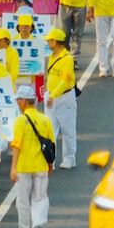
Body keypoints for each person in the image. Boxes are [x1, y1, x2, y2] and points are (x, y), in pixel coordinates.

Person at [10, 83, 55, 228]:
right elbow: (51, 144)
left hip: (23, 166)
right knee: (40, 197)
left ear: (23, 101)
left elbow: (17, 144)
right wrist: (51, 164)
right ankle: (38, 225)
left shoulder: (20, 120)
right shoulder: (45, 119)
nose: (17, 102)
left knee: (23, 200)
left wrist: (13, 167)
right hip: (41, 165)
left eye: (18, 100)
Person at [42, 27, 76, 170]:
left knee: (68, 130)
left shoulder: (67, 59)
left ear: (56, 42)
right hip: (51, 96)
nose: (48, 43)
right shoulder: (52, 57)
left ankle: (69, 158)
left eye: (50, 40)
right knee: (50, 129)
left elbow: (65, 80)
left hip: (64, 97)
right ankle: (51, 159)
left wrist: (54, 95)